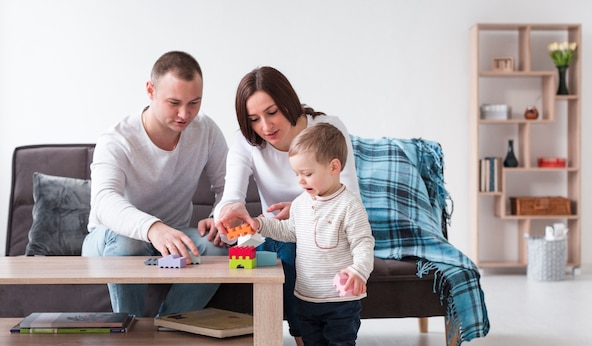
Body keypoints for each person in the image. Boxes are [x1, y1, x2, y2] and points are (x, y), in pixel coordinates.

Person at [208, 66, 360, 345]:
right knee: (288, 246)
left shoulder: (327, 129)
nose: (265, 127)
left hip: (328, 231)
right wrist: (230, 211)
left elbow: (350, 195)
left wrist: (304, 209)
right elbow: (229, 198)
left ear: (288, 102)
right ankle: (303, 337)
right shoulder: (246, 144)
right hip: (279, 235)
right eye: (254, 119)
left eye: (272, 112)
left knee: (299, 245)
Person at [82, 51, 229, 317]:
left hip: (175, 235)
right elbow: (104, 202)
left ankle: (171, 326)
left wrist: (217, 216)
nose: (185, 114)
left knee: (218, 247)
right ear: (150, 91)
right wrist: (153, 228)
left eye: (194, 103)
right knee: (130, 242)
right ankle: (129, 329)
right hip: (108, 238)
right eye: (174, 103)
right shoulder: (117, 139)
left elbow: (228, 186)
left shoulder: (206, 131)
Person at [247, 122, 374, 345]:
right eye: (296, 173)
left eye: (306, 173)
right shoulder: (300, 204)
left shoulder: (349, 206)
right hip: (306, 298)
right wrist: (261, 225)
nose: (300, 180)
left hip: (340, 301)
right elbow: (288, 231)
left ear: (334, 167)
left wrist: (358, 271)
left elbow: (363, 243)